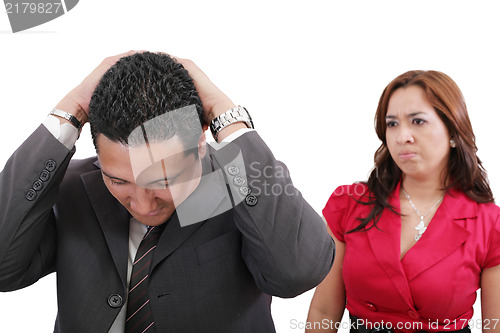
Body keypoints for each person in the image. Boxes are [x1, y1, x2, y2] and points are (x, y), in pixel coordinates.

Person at [0, 51, 335, 332]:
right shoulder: (73, 186)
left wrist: (226, 114)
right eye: (119, 181)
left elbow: (298, 273)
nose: (143, 205)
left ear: (200, 145)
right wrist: (71, 108)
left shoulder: (243, 183)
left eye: (162, 182)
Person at [306, 70, 500, 333]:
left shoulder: (489, 222)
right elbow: (324, 311)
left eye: (417, 122)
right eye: (392, 124)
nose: (401, 137)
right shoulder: (349, 203)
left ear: (454, 132)